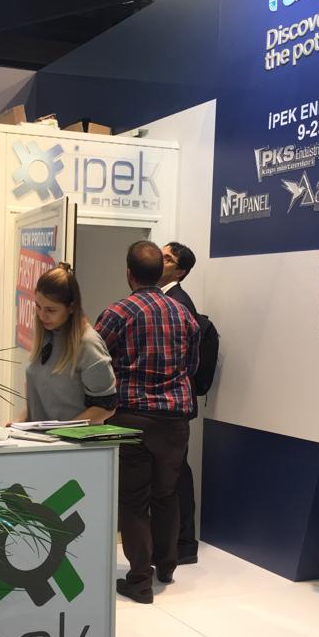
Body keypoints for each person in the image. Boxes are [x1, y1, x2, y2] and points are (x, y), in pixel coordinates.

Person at [95, 240, 200, 604]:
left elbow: (95, 363)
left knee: (134, 500)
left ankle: (139, 580)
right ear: (159, 274)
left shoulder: (117, 313)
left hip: (131, 418)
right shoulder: (184, 314)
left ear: (129, 274)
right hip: (175, 419)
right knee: (166, 494)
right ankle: (166, 567)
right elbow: (192, 366)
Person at [14, 263, 117, 425]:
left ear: (71, 308)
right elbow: (38, 402)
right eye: (38, 307)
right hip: (42, 437)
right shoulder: (47, 335)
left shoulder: (88, 344)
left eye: (50, 310)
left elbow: (106, 407)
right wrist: (18, 423)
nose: (42, 315)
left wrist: (63, 432)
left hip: (69, 440)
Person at [159, 242, 200, 566]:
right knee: (171, 477)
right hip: (169, 407)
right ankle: (174, 544)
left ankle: (183, 545)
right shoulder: (163, 299)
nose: (161, 261)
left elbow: (188, 361)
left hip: (172, 407)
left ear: (181, 271)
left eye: (168, 259)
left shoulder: (179, 304)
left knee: (175, 478)